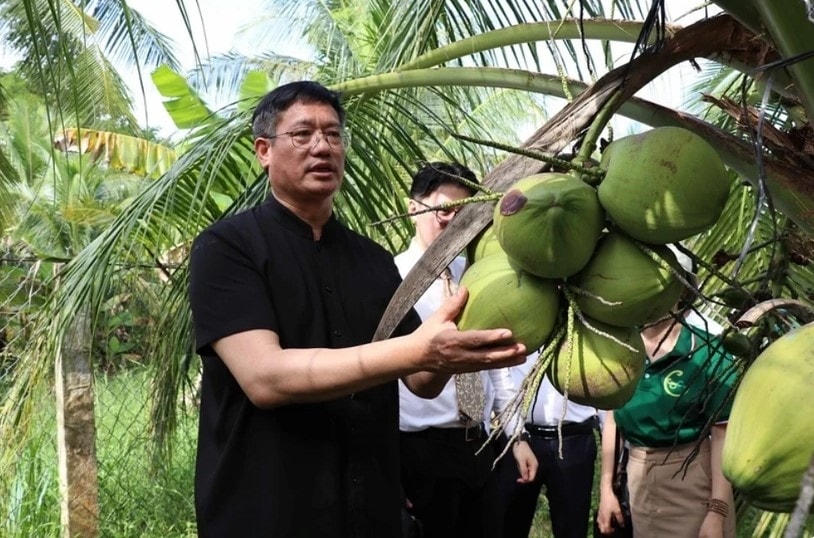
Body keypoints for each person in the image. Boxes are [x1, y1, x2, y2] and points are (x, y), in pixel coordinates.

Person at [187, 81, 529, 537]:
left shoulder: (372, 262)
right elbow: (265, 378)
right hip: (265, 510)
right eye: (303, 134)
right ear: (264, 150)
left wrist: (474, 330)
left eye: (333, 135)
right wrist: (419, 352)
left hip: (370, 513)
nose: (322, 147)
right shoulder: (227, 247)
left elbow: (423, 382)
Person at [395, 162, 538, 538]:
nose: (454, 221)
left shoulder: (479, 274)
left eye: (465, 212)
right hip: (418, 453)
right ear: (413, 208)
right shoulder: (390, 279)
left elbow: (494, 364)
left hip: (480, 447)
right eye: (444, 209)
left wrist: (516, 437)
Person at [595, 252, 740, 538]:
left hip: (692, 478)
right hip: (638, 477)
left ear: (684, 290)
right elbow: (612, 418)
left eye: (665, 282)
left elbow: (723, 434)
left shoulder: (708, 351)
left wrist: (717, 510)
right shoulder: (619, 347)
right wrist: (606, 490)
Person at [495, 356, 600, 538]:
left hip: (573, 439)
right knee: (508, 523)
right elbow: (500, 374)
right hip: (520, 437)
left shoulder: (585, 328)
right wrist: (514, 432)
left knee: (572, 526)